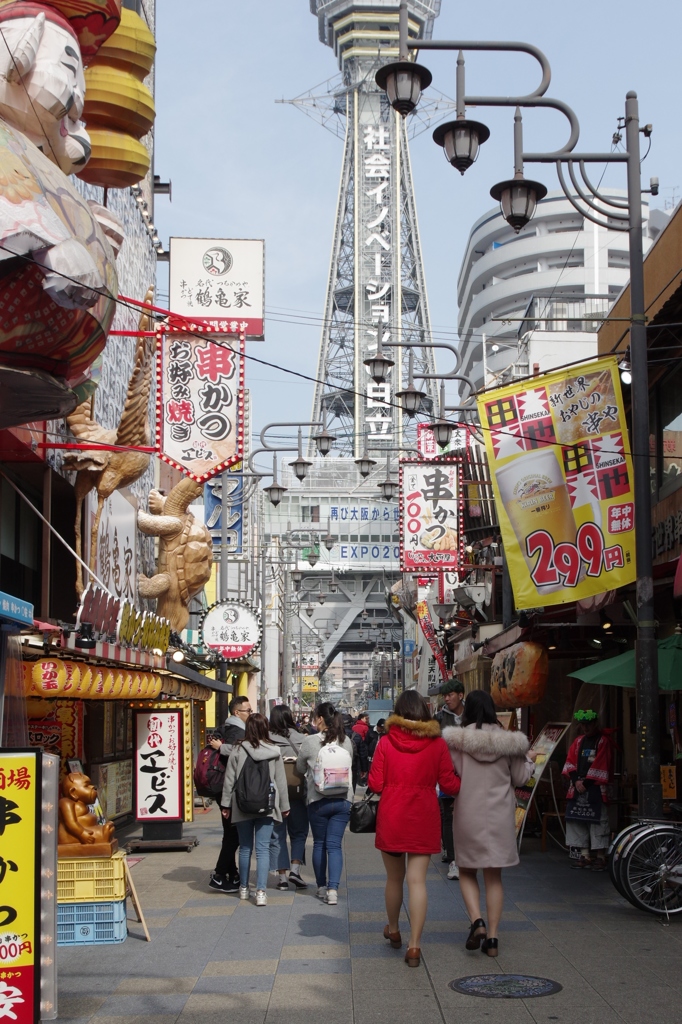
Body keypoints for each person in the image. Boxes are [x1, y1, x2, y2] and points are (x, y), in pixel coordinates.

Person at [368, 690, 460, 968]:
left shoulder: (385, 743)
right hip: (424, 817)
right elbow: (450, 786)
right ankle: (414, 946)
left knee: (394, 879)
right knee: (417, 881)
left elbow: (374, 784)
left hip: (393, 817)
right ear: (425, 712)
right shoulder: (438, 745)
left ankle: (394, 929)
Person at [443, 690, 534, 958]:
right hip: (500, 815)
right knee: (494, 877)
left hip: (467, 812)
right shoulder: (511, 742)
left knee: (467, 870)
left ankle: (477, 921)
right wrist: (528, 762)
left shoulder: (457, 742)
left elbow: (449, 776)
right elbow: (520, 778)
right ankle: (492, 939)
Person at [220, 712, 290, 907]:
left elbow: (229, 780)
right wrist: (284, 806)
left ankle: (243, 888)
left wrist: (226, 804)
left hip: (242, 804)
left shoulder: (238, 749)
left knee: (245, 848)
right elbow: (281, 782)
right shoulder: (274, 751)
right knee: (262, 849)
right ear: (265, 728)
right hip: (266, 805)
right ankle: (261, 892)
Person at [295, 702, 354, 906]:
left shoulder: (310, 742)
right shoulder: (346, 741)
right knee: (334, 845)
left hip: (318, 799)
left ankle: (321, 887)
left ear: (320, 719)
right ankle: (333, 890)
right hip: (343, 799)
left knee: (319, 843)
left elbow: (300, 767)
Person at [208, 694, 252, 894]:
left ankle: (232, 873)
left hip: (221, 787)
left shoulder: (223, 727)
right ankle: (218, 875)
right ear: (237, 712)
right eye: (248, 710)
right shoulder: (236, 730)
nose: (250, 713)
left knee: (230, 832)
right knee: (233, 834)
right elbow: (237, 752)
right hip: (229, 789)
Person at [562, 710, 614, 871]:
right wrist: (576, 780)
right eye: (583, 724)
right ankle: (584, 855)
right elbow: (570, 760)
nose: (585, 727)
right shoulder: (578, 742)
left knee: (598, 821)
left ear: (595, 724)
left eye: (588, 724)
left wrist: (587, 782)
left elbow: (602, 763)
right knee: (577, 820)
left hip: (596, 788)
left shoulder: (602, 741)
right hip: (578, 786)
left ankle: (600, 856)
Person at [268, 704, 309, 890]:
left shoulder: (267, 741)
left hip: (274, 794)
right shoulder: (303, 739)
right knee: (299, 832)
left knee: (277, 835)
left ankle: (282, 879)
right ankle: (295, 870)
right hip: (298, 793)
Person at [436, 679, 466, 881]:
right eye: (445, 696)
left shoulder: (472, 715)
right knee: (447, 815)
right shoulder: (439, 718)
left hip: (469, 773)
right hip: (447, 772)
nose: (447, 699)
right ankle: (453, 859)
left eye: (450, 694)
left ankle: (466, 855)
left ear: (461, 695)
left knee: (466, 816)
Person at [351, 711, 370, 789]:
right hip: (361, 747)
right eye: (366, 718)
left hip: (353, 747)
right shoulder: (365, 727)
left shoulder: (354, 726)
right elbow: (366, 739)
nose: (367, 720)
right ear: (362, 718)